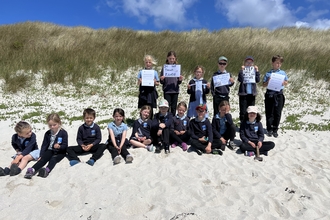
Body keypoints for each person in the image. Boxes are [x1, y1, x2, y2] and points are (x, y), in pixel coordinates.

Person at [24, 113, 68, 179]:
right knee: (43, 159)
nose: (52, 127)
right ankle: (32, 170)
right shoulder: (48, 133)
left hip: (60, 152)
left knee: (53, 159)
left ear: (59, 123)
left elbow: (65, 145)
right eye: (50, 125)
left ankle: (46, 170)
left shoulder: (63, 133)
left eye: (54, 125)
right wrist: (41, 155)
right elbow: (44, 145)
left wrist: (59, 147)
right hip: (50, 150)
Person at [262, 55, 289, 137]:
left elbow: (286, 82)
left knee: (277, 112)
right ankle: (269, 129)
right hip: (270, 94)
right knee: (269, 112)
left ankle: (275, 129)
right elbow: (263, 85)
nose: (278, 65)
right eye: (277, 63)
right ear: (273, 63)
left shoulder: (282, 73)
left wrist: (284, 83)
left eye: (280, 63)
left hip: (279, 94)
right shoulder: (268, 73)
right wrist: (268, 82)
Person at [160, 51, 184, 115]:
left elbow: (179, 82)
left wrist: (180, 79)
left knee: (173, 107)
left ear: (175, 58)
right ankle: (167, 119)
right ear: (167, 58)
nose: (171, 60)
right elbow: (161, 82)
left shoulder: (177, 68)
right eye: (170, 58)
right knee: (167, 106)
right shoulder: (165, 68)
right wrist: (161, 79)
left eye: (173, 58)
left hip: (175, 90)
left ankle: (173, 120)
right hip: (167, 90)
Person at [237, 56, 260, 123]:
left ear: (253, 63)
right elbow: (240, 79)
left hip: (252, 94)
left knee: (251, 109)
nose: (249, 64)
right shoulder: (243, 70)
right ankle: (242, 123)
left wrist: (257, 71)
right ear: (244, 63)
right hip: (243, 93)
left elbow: (257, 80)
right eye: (247, 62)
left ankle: (250, 122)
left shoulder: (254, 70)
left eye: (250, 62)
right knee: (243, 110)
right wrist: (241, 71)